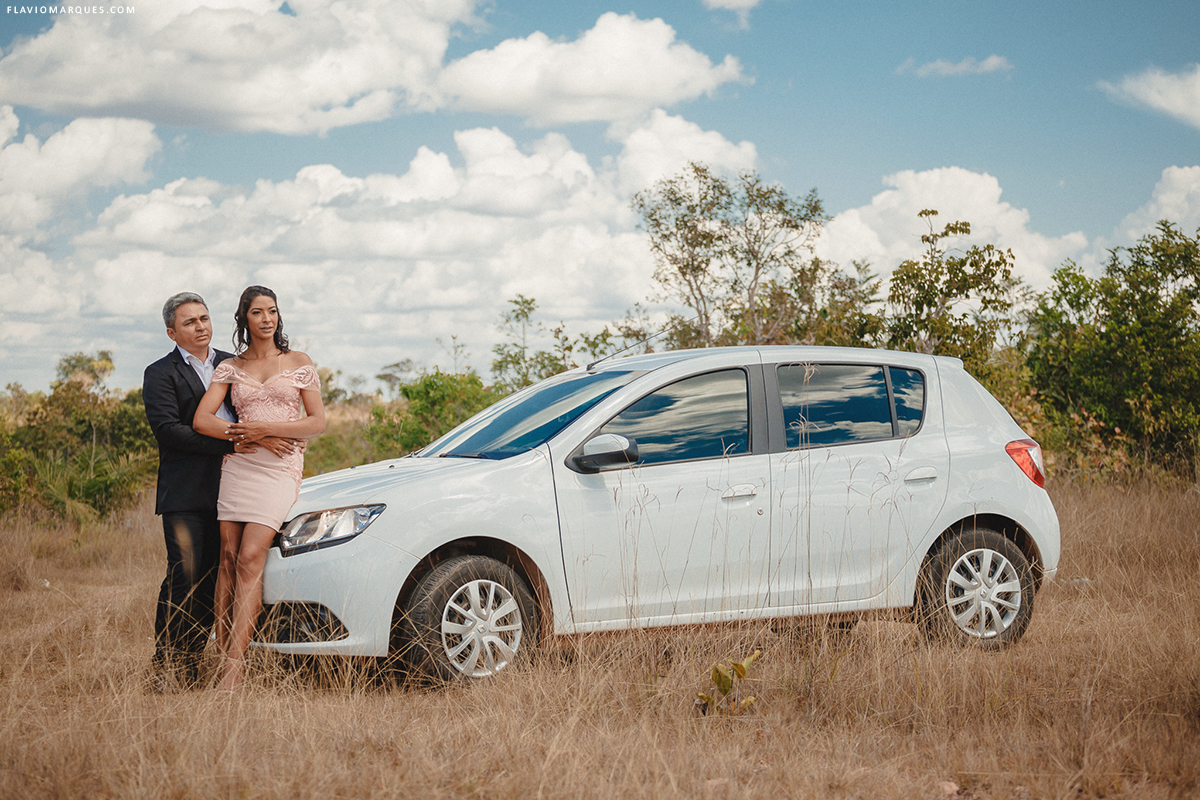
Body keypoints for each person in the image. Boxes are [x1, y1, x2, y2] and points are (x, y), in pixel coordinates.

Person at [193, 285, 325, 691]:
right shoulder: (230, 367)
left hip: (281, 467)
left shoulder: (299, 362)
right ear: (244, 319)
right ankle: (222, 660)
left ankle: (235, 667)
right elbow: (202, 420)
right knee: (228, 558)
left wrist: (267, 430)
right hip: (241, 465)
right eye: (257, 312)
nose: (266, 319)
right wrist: (242, 437)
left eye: (272, 311)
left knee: (252, 556)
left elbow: (316, 422)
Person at [142, 292, 260, 690]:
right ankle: (166, 665)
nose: (201, 326)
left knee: (214, 578)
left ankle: (191, 662)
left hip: (237, 487)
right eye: (190, 322)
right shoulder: (160, 373)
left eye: (205, 318)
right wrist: (230, 441)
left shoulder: (234, 363)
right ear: (172, 332)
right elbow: (168, 431)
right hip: (186, 494)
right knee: (185, 573)